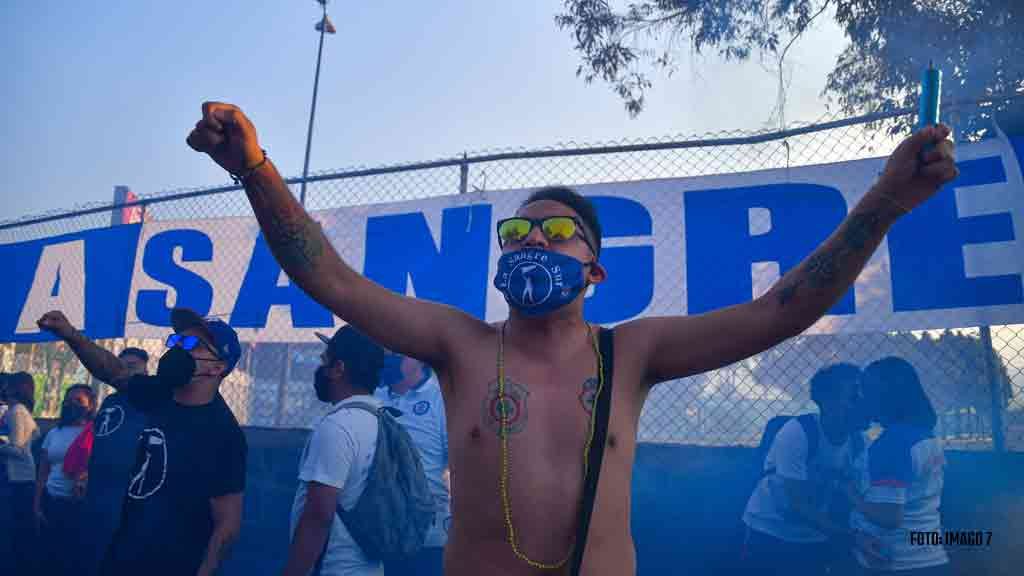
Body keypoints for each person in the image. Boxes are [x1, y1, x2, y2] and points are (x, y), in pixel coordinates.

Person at [187, 101, 957, 575]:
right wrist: (253, 169)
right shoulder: (461, 347)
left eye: (557, 234)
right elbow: (335, 282)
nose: (531, 244)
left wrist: (884, 203)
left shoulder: (634, 353)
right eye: (517, 233)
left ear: (596, 271)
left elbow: (779, 311)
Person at [36, 308, 247, 576]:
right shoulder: (159, 394)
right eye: (177, 341)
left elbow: (227, 524)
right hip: (121, 556)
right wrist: (69, 334)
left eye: (192, 344)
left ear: (217, 367)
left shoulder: (223, 434)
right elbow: (112, 371)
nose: (178, 348)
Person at [740, 363, 867, 575]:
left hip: (814, 533)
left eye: (864, 397)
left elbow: (854, 493)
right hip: (770, 529)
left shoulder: (858, 442)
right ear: (827, 401)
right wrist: (847, 535)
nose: (863, 405)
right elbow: (797, 503)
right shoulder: (799, 432)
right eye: (854, 398)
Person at [283, 325, 388, 576]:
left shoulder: (337, 426)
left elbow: (319, 516)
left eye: (325, 360)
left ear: (339, 369)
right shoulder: (383, 420)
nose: (321, 368)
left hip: (334, 568)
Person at [847, 357, 950, 575]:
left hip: (895, 561)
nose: (860, 399)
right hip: (929, 556)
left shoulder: (892, 445)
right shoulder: (924, 436)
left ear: (882, 396)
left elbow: (889, 517)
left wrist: (850, 494)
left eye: (865, 391)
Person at [372, 351, 450, 576]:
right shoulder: (374, 396)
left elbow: (459, 465)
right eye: (386, 352)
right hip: (381, 530)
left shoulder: (441, 399)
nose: (390, 358)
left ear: (420, 358)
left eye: (398, 354)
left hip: (428, 534)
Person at [79, 347, 151, 576]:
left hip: (130, 495)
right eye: (121, 366)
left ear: (145, 370)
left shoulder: (154, 400)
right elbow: (100, 439)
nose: (125, 371)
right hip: (98, 492)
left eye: (132, 366)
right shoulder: (110, 401)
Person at [36, 384, 98, 576]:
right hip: (50, 501)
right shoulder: (54, 433)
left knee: (69, 558)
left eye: (78, 401)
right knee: (45, 555)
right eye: (68, 400)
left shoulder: (96, 434)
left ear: (91, 405)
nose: (71, 404)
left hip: (77, 505)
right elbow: (43, 472)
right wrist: (36, 505)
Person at [0, 371, 41, 576]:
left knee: (12, 530)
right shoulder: (14, 410)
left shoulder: (16, 411)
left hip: (18, 480)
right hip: (16, 479)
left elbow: (18, 449)